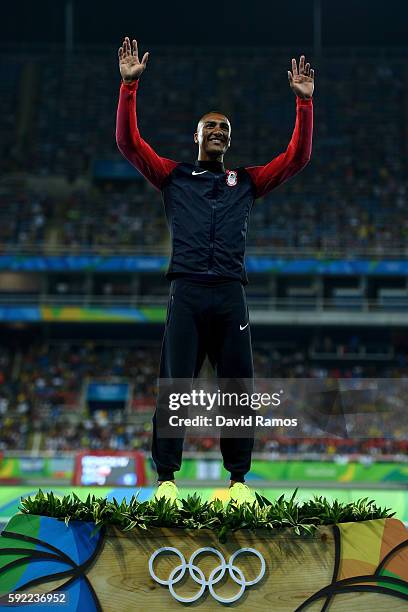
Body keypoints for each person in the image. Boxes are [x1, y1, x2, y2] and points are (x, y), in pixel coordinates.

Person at [116, 37, 314, 504]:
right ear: (197, 137)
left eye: (224, 127)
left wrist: (304, 104)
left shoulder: (246, 181)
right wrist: (129, 89)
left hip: (229, 295)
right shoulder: (173, 175)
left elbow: (297, 159)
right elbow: (128, 144)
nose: (219, 131)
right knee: (175, 388)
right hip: (185, 292)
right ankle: (166, 480)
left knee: (238, 391)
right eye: (210, 127)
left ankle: (239, 483)